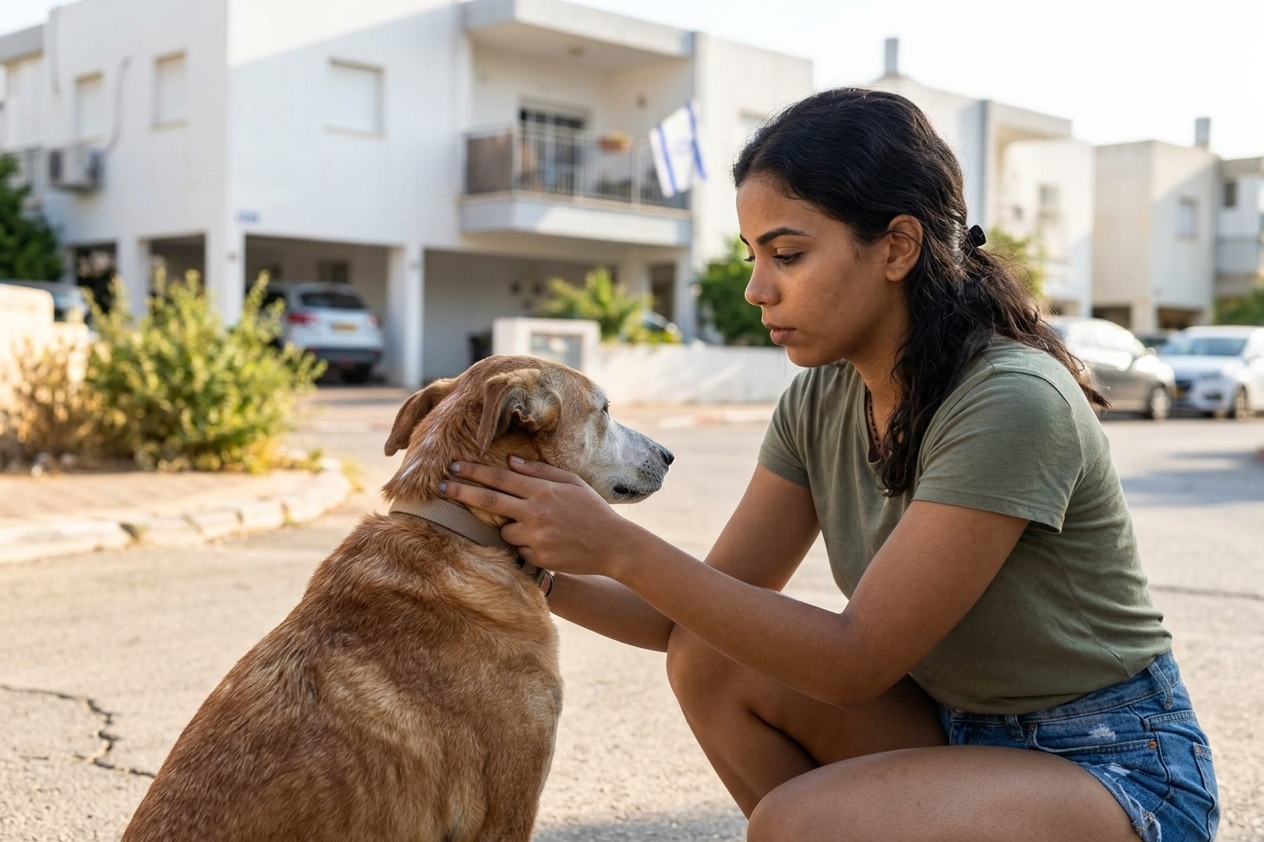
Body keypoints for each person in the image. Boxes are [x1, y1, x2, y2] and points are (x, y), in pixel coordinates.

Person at [438, 88, 1220, 842]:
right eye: (753, 255)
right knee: (709, 659)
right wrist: (517, 559)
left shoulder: (1012, 398)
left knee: (797, 826)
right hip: (949, 727)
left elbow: (854, 662)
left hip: (1112, 762)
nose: (757, 288)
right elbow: (684, 618)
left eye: (788, 254)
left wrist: (614, 543)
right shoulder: (821, 400)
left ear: (898, 247)